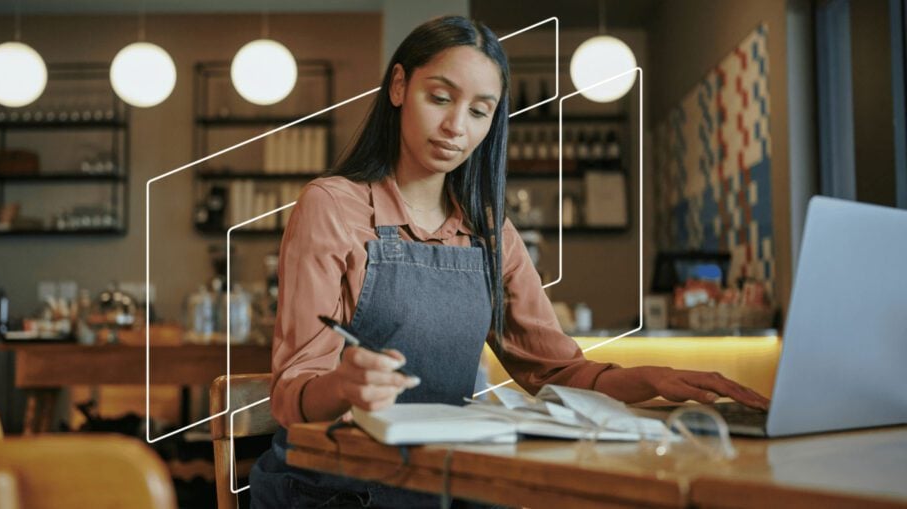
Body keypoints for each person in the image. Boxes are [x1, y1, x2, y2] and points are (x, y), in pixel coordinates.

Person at [249, 15, 770, 508]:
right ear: (399, 87)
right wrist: (341, 387)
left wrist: (650, 380)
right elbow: (292, 392)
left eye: (479, 111)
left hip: (440, 479)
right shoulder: (332, 205)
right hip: (335, 486)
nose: (456, 126)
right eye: (439, 98)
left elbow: (557, 371)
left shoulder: (489, 230)